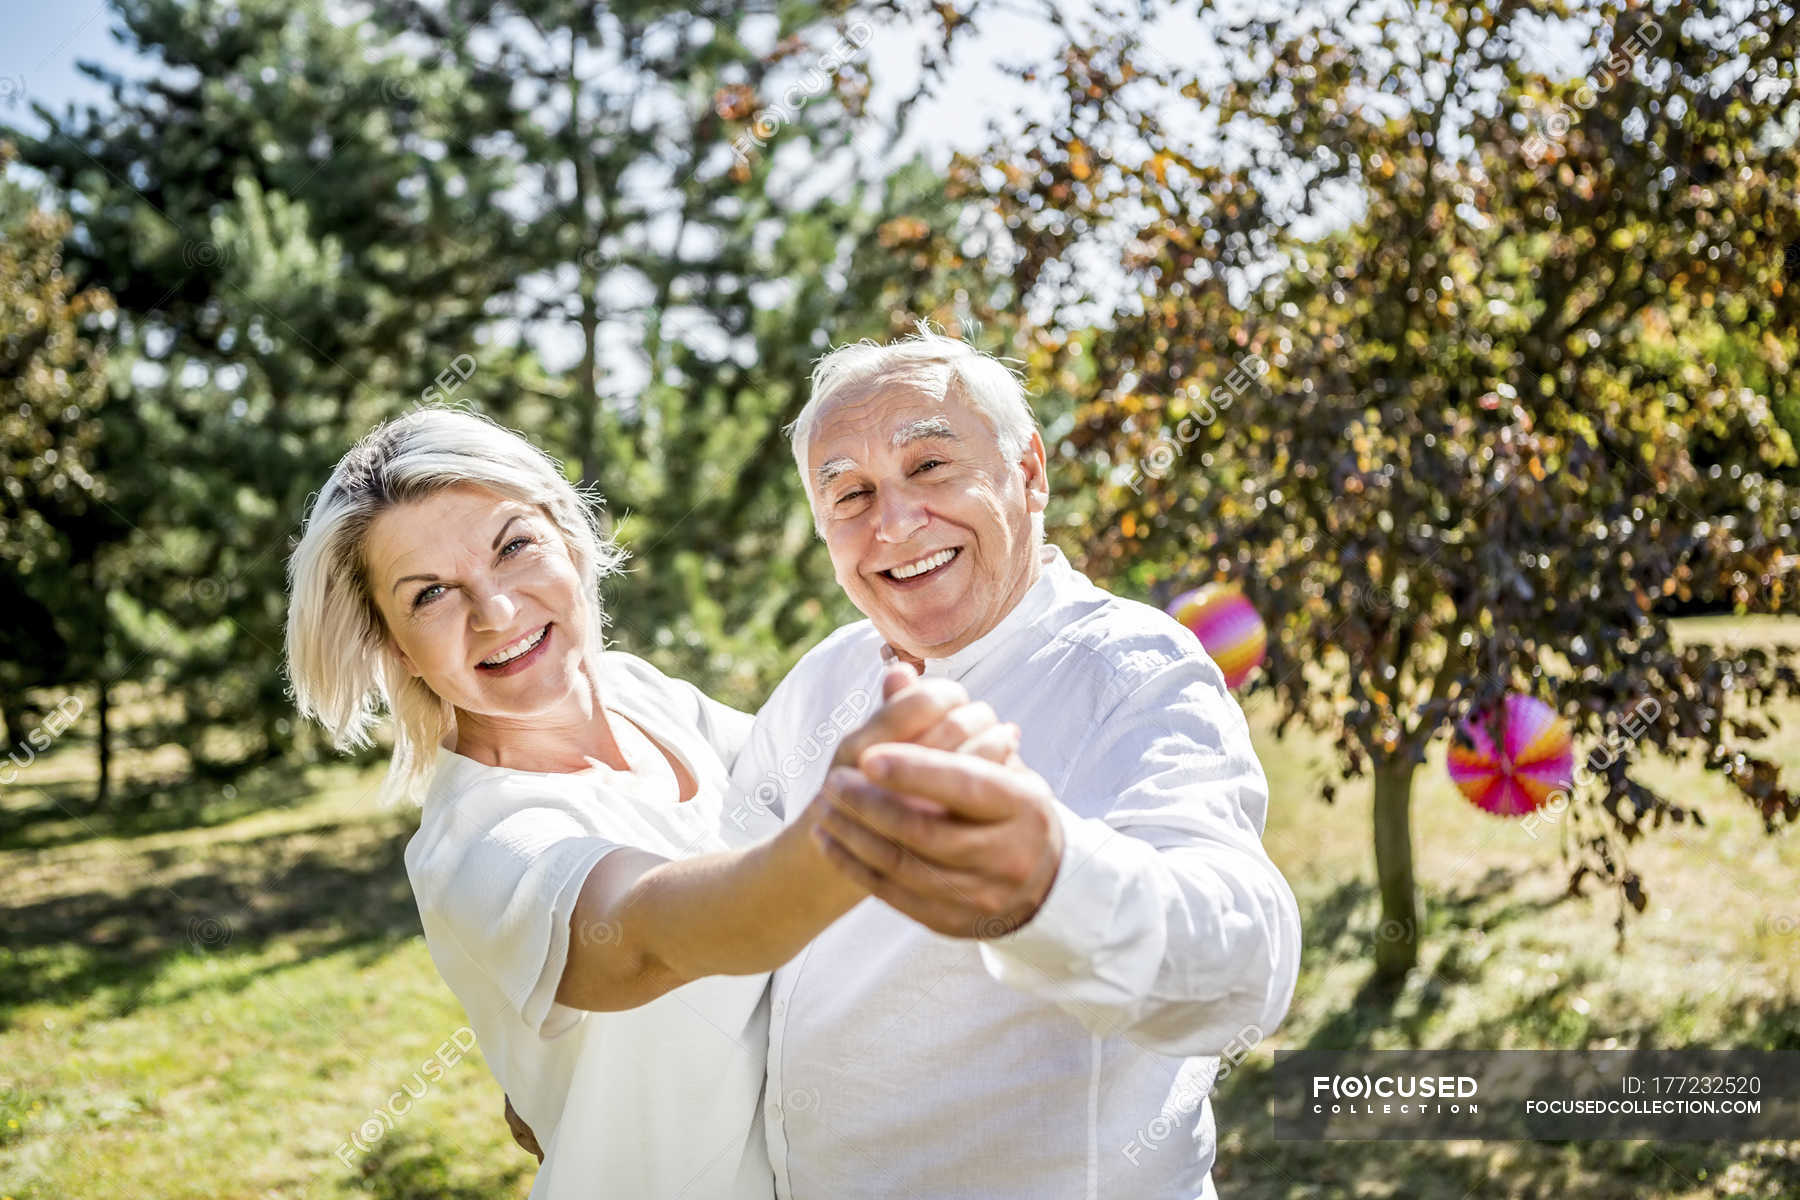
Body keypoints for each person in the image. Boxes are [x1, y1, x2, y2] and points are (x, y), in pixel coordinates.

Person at [282, 406, 1018, 1199]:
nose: (495, 612)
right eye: (430, 595)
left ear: (568, 540)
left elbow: (781, 786)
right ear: (396, 646)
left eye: (514, 546)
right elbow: (650, 937)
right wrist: (858, 831)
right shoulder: (480, 841)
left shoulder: (642, 696)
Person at [716, 327, 1303, 1198]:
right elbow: (728, 920)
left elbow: (1243, 968)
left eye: (929, 468)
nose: (894, 522)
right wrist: (594, 1072)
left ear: (1029, 472)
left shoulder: (1132, 667)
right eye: (850, 495)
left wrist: (1046, 881)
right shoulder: (822, 682)